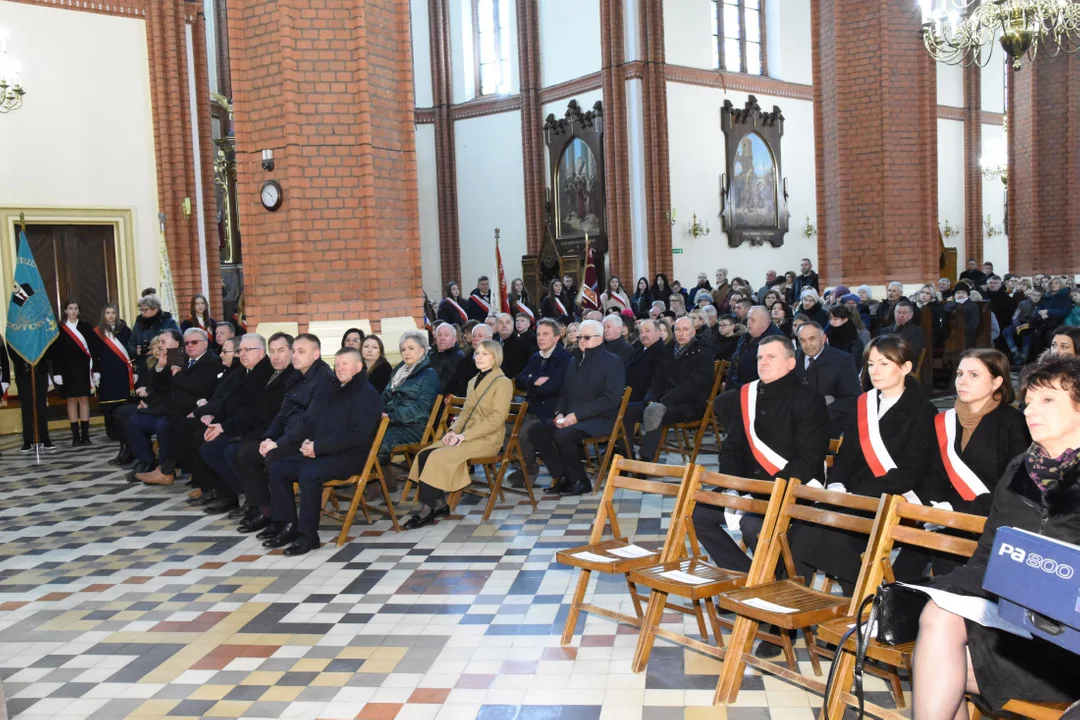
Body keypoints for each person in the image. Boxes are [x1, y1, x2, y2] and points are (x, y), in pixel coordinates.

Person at [912, 355, 1080, 719]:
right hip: (1016, 624)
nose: (1032, 410)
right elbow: (989, 554)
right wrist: (943, 590)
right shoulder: (1021, 468)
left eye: (1048, 400)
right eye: (1029, 401)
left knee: (939, 666)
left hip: (1070, 640)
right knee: (939, 619)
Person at [797, 335, 938, 592]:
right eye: (871, 364)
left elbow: (911, 471)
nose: (875, 371)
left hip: (895, 498)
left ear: (905, 368)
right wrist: (837, 484)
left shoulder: (923, 410)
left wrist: (856, 496)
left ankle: (864, 599)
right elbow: (846, 455)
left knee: (834, 537)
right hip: (855, 496)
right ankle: (794, 605)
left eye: (884, 364)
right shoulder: (864, 404)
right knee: (802, 528)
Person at [692, 333, 827, 581]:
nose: (763, 362)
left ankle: (769, 587)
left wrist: (760, 493)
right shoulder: (747, 394)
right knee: (697, 514)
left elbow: (808, 461)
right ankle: (746, 578)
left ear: (790, 362)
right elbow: (731, 448)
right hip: (748, 487)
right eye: (760, 357)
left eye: (771, 357)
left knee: (753, 525)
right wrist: (734, 487)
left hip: (793, 489)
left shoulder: (809, 399)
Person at [892, 349, 1030, 582]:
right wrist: (935, 505)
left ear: (997, 381)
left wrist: (955, 510)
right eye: (959, 374)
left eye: (973, 375)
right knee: (905, 566)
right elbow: (934, 472)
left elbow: (1012, 485)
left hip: (988, 518)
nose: (962, 381)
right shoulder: (946, 421)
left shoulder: (1014, 424)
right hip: (943, 514)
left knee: (947, 563)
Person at [261, 347, 382, 555]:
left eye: (345, 363)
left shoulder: (366, 393)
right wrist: (311, 441)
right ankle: (287, 524)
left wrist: (318, 447)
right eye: (337, 363)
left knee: (309, 474)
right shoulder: (339, 389)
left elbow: (358, 436)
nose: (339, 367)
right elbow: (323, 422)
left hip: (351, 457)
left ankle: (309, 535)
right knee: (279, 467)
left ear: (359, 366)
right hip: (327, 452)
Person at [403, 339, 514, 528]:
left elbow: (496, 419)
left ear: (496, 357)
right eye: (477, 353)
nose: (479, 357)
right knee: (424, 454)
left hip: (487, 438)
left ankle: (426, 510)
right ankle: (439, 504)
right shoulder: (473, 381)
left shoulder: (502, 382)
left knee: (438, 457)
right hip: (466, 434)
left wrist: (464, 436)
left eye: (485, 353)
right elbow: (465, 413)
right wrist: (452, 431)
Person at [526, 319, 625, 496]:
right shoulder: (574, 360)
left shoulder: (612, 361)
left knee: (563, 435)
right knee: (537, 430)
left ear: (599, 338)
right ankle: (563, 475)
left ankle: (580, 480)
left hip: (601, 419)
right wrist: (559, 413)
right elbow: (564, 392)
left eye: (586, 337)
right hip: (572, 416)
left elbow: (610, 399)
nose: (581, 341)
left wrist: (576, 416)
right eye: (579, 337)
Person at [213, 333, 298, 534]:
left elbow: (286, 416)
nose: (275, 356)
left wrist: (268, 437)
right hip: (269, 430)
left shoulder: (293, 376)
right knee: (235, 450)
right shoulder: (275, 373)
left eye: (281, 351)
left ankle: (265, 510)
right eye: (273, 351)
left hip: (285, 436)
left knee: (244, 452)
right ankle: (258, 507)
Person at [192, 333, 279, 518]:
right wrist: (215, 420)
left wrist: (223, 427)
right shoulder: (244, 370)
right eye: (240, 350)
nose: (242, 354)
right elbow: (228, 401)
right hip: (238, 425)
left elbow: (252, 411)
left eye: (248, 350)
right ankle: (231, 494)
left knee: (227, 450)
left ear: (262, 352)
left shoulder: (264, 373)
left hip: (255, 429)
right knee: (206, 445)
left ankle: (252, 497)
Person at [131, 328, 223, 485]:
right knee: (135, 419)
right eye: (187, 343)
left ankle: (166, 470)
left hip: (191, 410)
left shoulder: (212, 360)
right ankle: (148, 462)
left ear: (205, 343)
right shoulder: (179, 355)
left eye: (194, 342)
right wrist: (160, 366)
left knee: (166, 425)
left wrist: (177, 374)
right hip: (170, 407)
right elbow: (160, 384)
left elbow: (200, 388)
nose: (189, 346)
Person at [623, 317, 713, 462]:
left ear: (693, 331)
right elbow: (657, 379)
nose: (681, 333)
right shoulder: (667, 351)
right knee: (627, 410)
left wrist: (662, 402)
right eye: (677, 329)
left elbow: (692, 386)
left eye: (685, 329)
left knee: (655, 411)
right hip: (661, 401)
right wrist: (650, 399)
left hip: (689, 405)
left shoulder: (703, 353)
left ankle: (645, 461)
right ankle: (626, 455)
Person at [508, 319, 574, 487]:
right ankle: (523, 466)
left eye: (545, 334)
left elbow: (553, 387)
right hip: (532, 408)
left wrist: (531, 382)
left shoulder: (565, 358)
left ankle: (530, 469)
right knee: (506, 430)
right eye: (538, 334)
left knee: (525, 433)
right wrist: (535, 381)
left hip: (552, 410)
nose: (540, 338)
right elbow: (519, 380)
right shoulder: (536, 357)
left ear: (557, 337)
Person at [377, 331, 440, 466]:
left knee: (379, 440)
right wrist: (377, 411)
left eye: (411, 348)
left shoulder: (429, 375)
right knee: (362, 433)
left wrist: (390, 416)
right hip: (392, 422)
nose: (406, 353)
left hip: (415, 426)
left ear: (422, 351)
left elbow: (421, 408)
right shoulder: (399, 372)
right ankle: (379, 478)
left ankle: (378, 480)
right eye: (403, 349)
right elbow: (385, 396)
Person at [795, 322, 861, 438]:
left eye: (812, 339)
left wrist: (821, 412)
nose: (808, 344)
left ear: (823, 338)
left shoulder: (842, 360)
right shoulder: (792, 359)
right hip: (794, 429)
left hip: (827, 430)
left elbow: (852, 398)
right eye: (803, 340)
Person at [53, 299, 101, 446]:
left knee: (84, 399)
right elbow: (56, 352)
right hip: (67, 369)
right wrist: (57, 372)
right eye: (70, 308)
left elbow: (94, 349)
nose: (73, 311)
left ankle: (85, 435)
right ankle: (75, 436)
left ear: (79, 311)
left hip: (84, 368)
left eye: (75, 308)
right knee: (71, 400)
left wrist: (96, 370)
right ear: (65, 311)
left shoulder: (86, 327)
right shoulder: (60, 329)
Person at [95, 303, 134, 460]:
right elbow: (94, 353)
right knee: (108, 403)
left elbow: (131, 350)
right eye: (107, 313)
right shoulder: (97, 333)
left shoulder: (125, 331)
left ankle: (123, 431)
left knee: (123, 402)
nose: (110, 316)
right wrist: (95, 371)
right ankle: (111, 431)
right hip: (105, 371)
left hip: (122, 371)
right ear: (103, 315)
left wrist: (134, 369)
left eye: (113, 313)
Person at [6, 336, 54, 452]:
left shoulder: (39, 330)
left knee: (41, 405)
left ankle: (44, 438)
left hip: (40, 371)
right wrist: (27, 357)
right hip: (23, 372)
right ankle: (28, 440)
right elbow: (12, 351)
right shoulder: (15, 330)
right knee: (26, 406)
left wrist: (37, 356)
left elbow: (48, 348)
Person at [126, 294, 181, 359]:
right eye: (141, 310)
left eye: (145, 310)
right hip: (142, 363)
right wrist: (136, 351)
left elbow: (179, 345)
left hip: (163, 363)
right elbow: (131, 343)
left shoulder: (169, 323)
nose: (142, 313)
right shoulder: (139, 323)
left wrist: (156, 351)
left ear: (155, 309)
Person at [880, 300, 926, 367]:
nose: (901, 315)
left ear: (911, 315)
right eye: (898, 312)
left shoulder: (917, 331)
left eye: (905, 313)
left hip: (905, 365)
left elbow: (913, 353)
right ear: (894, 313)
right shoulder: (884, 330)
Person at [428, 323, 465, 393]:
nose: (442, 338)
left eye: (446, 335)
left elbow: (445, 383)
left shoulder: (458, 357)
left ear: (454, 339)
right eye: (439, 335)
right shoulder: (429, 354)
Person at [915, 284, 949, 349]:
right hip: (917, 334)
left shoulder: (937, 307)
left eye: (927, 293)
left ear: (932, 295)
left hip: (932, 335)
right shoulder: (914, 305)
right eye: (922, 292)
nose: (924, 295)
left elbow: (940, 326)